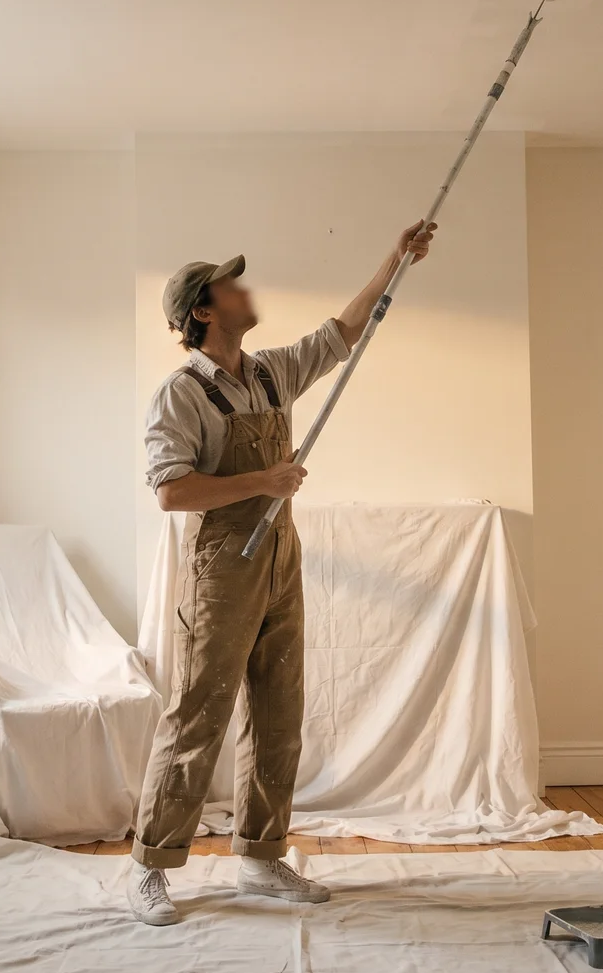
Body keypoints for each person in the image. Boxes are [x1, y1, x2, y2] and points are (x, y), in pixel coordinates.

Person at [129, 219, 438, 925]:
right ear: (203, 310)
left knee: (278, 714)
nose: (245, 289)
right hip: (221, 565)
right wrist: (261, 481)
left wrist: (395, 258)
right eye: (229, 284)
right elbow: (172, 492)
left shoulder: (269, 371)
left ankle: (261, 856)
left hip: (280, 558)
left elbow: (340, 334)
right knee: (198, 712)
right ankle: (150, 866)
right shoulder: (182, 393)